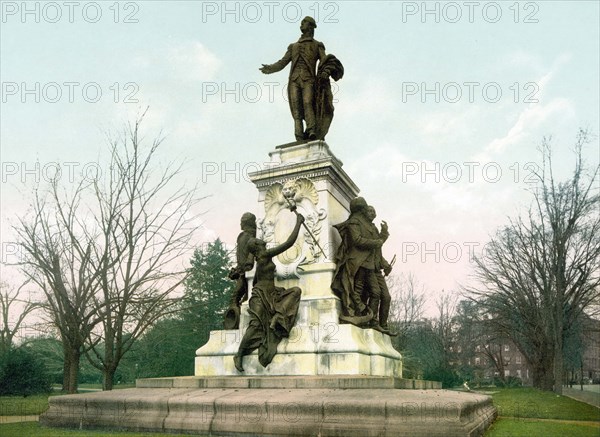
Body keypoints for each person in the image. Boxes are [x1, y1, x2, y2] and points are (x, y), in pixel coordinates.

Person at [234, 211, 305, 372]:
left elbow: (258, 279)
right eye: (259, 241)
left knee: (295, 291)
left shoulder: (263, 257)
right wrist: (298, 223)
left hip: (271, 294)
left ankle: (278, 319)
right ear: (257, 247)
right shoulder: (264, 255)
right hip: (260, 296)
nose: (262, 240)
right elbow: (288, 243)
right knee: (255, 325)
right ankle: (239, 354)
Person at [260, 16, 342, 142]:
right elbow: (283, 62)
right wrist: (270, 68)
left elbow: (325, 61)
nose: (301, 24)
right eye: (301, 22)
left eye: (304, 22)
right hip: (294, 80)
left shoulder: (317, 45)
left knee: (308, 103)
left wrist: (326, 71)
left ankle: (311, 130)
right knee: (296, 109)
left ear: (311, 26)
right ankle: (298, 136)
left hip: (309, 80)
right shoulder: (293, 46)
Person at [331, 197, 383, 326]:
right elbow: (357, 240)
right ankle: (358, 316)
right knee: (357, 291)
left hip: (368, 263)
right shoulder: (354, 222)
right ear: (361, 208)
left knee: (376, 292)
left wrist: (382, 236)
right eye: (365, 207)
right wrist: (376, 242)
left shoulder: (365, 223)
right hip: (357, 262)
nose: (367, 209)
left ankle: (370, 320)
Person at [365, 205, 396, 336]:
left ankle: (383, 325)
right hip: (368, 268)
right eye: (370, 211)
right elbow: (371, 247)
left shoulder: (373, 228)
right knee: (376, 293)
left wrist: (386, 265)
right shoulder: (364, 228)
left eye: (374, 211)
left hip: (377, 269)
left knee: (387, 297)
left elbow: (377, 252)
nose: (372, 213)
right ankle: (372, 321)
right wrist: (383, 236)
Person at [224, 212, 257, 330]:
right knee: (239, 297)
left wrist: (249, 263)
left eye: (243, 221)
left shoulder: (252, 235)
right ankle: (236, 320)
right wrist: (237, 269)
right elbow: (240, 254)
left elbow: (252, 251)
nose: (240, 223)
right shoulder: (242, 236)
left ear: (247, 222)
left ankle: (236, 320)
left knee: (236, 296)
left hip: (247, 272)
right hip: (242, 271)